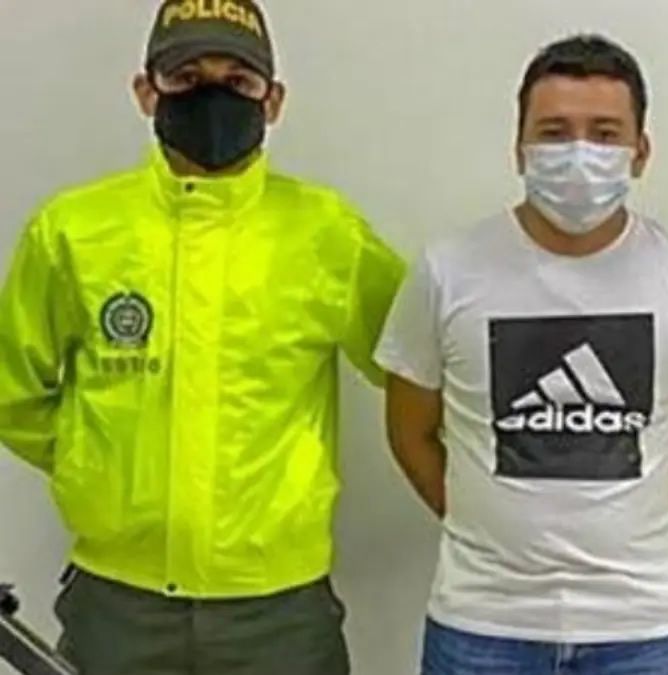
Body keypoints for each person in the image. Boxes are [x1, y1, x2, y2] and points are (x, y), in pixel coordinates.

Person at [0, 2, 405, 673]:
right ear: (146, 91)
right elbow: (11, 390)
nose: (212, 97)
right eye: (186, 78)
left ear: (272, 101)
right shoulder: (72, 231)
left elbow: (418, 368)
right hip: (116, 604)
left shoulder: (328, 234)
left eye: (238, 81)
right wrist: (93, 467)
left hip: (278, 610)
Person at [374, 34, 668, 675]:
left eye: (605, 133)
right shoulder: (446, 271)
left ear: (640, 152)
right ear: (518, 149)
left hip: (643, 628)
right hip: (480, 626)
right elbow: (410, 432)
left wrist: (632, 516)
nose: (579, 153)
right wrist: (486, 528)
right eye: (554, 132)